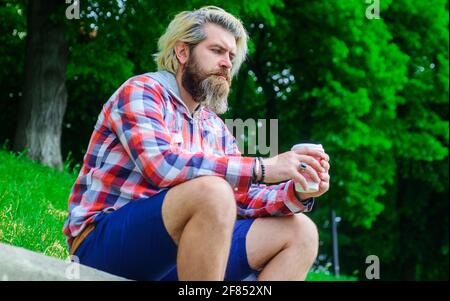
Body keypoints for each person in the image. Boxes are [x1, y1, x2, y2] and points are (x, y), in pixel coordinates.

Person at [63, 6, 330, 281]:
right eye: (216, 51)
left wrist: (298, 190)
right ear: (182, 52)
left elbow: (243, 198)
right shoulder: (142, 92)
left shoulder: (215, 127)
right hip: (101, 249)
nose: (227, 63)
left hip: (178, 258)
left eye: (231, 56)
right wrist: (264, 167)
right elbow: (163, 165)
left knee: (301, 232)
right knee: (213, 192)